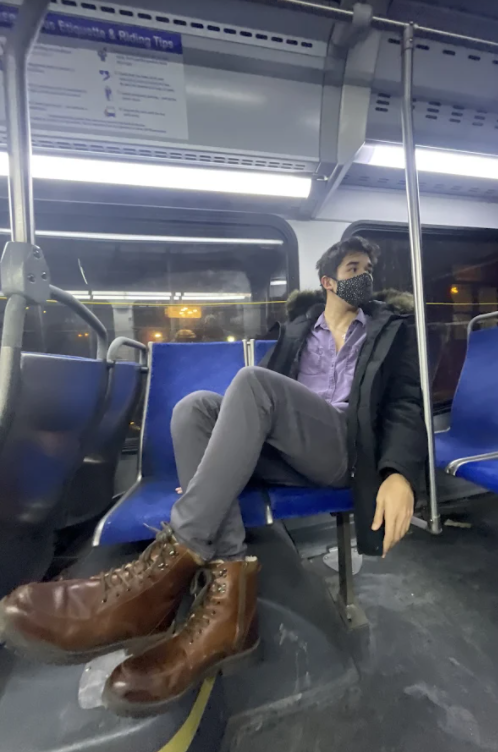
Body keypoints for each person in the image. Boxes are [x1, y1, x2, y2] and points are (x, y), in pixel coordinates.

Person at [0, 236, 427, 716]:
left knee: (252, 382)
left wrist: (398, 474)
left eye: (369, 267)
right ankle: (228, 608)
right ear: (328, 281)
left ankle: (155, 578)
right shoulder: (299, 331)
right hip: (290, 449)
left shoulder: (390, 330)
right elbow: (262, 406)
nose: (364, 275)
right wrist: (212, 470)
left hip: (342, 449)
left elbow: (406, 405)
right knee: (193, 410)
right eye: (354, 267)